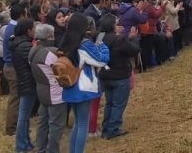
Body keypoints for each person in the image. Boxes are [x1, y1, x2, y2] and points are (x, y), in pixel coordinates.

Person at [60, 15, 110, 153]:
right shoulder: (84, 44)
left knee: (77, 122)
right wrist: (102, 46)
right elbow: (101, 60)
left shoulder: (65, 42)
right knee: (83, 124)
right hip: (83, 87)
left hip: (70, 85)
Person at [98, 13, 139, 139]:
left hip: (105, 75)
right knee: (118, 104)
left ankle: (106, 128)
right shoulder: (119, 39)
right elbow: (134, 50)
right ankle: (113, 129)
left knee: (109, 103)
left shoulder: (99, 39)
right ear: (112, 25)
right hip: (120, 76)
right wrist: (131, 38)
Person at [30, 23, 66, 153]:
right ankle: (53, 150)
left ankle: (40, 148)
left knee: (43, 121)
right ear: (50, 36)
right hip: (55, 92)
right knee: (56, 124)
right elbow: (63, 70)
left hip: (41, 89)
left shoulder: (33, 49)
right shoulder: (51, 53)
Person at [11, 18, 37, 153]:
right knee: (23, 116)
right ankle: (21, 146)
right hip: (27, 83)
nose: (35, 30)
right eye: (33, 28)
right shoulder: (25, 46)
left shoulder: (19, 43)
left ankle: (26, 143)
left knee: (25, 116)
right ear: (28, 30)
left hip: (24, 81)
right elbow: (33, 62)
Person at [1, 2, 24, 136]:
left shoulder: (11, 27)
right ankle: (11, 128)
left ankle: (15, 125)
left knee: (17, 96)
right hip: (12, 67)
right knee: (15, 97)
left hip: (10, 66)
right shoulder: (13, 30)